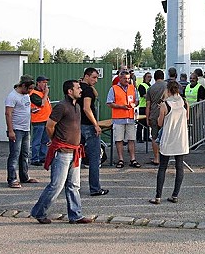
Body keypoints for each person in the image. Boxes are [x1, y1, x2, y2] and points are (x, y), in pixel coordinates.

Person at [30, 80, 93, 224]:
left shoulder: (76, 106)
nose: (80, 90)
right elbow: (50, 126)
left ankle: (75, 215)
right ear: (70, 91)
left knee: (74, 186)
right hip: (62, 153)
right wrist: (55, 141)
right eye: (77, 88)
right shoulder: (61, 107)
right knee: (56, 185)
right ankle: (39, 212)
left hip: (75, 153)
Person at [149, 81, 189, 204]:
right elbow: (187, 118)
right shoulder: (184, 102)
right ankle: (175, 195)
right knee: (179, 167)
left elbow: (160, 123)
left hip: (168, 137)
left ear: (168, 90)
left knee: (162, 168)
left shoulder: (165, 105)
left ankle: (158, 196)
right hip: (180, 138)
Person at [79, 67, 109, 196]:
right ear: (86, 76)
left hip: (77, 125)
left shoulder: (78, 88)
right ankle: (95, 188)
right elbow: (87, 108)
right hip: (88, 126)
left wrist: (89, 85)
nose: (96, 80)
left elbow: (95, 94)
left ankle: (69, 185)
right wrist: (96, 124)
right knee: (95, 158)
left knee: (74, 157)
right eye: (94, 77)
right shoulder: (87, 90)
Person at [5, 75, 39, 188]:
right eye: (29, 89)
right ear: (23, 85)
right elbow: (8, 113)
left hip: (26, 129)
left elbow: (24, 108)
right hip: (16, 129)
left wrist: (31, 110)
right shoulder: (12, 96)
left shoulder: (26, 95)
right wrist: (10, 130)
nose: (30, 91)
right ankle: (12, 179)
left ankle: (24, 176)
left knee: (25, 154)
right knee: (15, 154)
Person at [107, 70, 141, 168]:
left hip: (130, 118)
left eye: (128, 78)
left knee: (131, 139)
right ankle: (120, 160)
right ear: (120, 78)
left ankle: (133, 159)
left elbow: (137, 101)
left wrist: (134, 104)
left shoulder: (133, 88)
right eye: (125, 78)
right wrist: (121, 107)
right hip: (118, 119)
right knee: (119, 140)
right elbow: (109, 103)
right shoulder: (114, 89)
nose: (127, 80)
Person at [146, 70, 167, 165]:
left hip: (154, 114)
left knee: (154, 137)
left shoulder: (150, 88)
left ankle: (156, 158)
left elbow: (148, 105)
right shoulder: (167, 86)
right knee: (166, 136)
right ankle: (165, 158)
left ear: (154, 77)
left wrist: (147, 118)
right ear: (163, 76)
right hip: (166, 114)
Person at [30, 75, 52, 166]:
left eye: (46, 83)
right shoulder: (33, 93)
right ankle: (35, 158)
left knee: (45, 141)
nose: (45, 85)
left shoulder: (42, 93)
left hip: (46, 120)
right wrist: (46, 93)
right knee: (37, 141)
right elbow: (41, 104)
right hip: (38, 120)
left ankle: (42, 157)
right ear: (38, 83)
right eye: (43, 83)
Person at [136, 72, 152, 143]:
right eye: (148, 77)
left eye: (150, 77)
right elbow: (143, 95)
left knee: (147, 122)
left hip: (148, 106)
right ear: (145, 77)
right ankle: (139, 137)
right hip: (143, 106)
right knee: (141, 123)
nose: (150, 78)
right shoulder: (141, 85)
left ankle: (146, 136)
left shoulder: (149, 85)